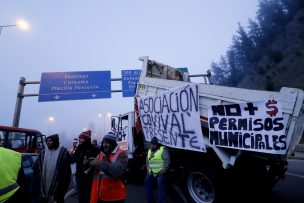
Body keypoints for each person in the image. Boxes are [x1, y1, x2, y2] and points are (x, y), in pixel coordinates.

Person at [32, 134, 72, 203]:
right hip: (44, 184)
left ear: (55, 141)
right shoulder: (43, 152)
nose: (48, 142)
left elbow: (68, 170)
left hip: (58, 185)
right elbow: (36, 167)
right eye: (47, 141)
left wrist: (64, 185)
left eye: (50, 141)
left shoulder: (63, 152)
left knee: (58, 200)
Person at [89, 132, 128, 203]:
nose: (104, 145)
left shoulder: (122, 154)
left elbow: (117, 171)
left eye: (107, 143)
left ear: (112, 143)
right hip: (99, 196)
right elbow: (95, 172)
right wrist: (89, 164)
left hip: (114, 198)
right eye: (103, 143)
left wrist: (100, 163)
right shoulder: (101, 154)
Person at [72, 130, 99, 203]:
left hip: (89, 177)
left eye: (81, 138)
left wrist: (88, 162)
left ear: (86, 139)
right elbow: (73, 159)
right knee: (80, 197)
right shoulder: (79, 148)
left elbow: (97, 161)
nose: (79, 139)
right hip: (79, 176)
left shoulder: (94, 149)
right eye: (79, 138)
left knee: (88, 196)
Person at [145, 137, 170, 203]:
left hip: (161, 172)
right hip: (152, 172)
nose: (152, 145)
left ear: (157, 145)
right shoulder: (149, 150)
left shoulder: (163, 149)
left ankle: (162, 201)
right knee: (147, 180)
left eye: (153, 144)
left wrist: (164, 170)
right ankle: (150, 200)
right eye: (151, 144)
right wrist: (148, 170)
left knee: (160, 181)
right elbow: (147, 161)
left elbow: (167, 161)